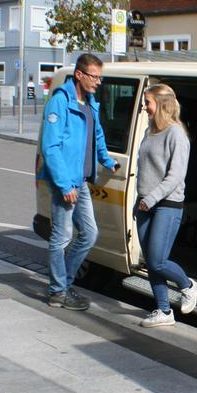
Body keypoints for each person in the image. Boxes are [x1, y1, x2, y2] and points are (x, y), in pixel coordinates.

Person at [39, 53, 119, 310]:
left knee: (89, 233)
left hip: (82, 181)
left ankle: (65, 284)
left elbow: (97, 136)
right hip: (65, 182)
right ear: (79, 74)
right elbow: (50, 148)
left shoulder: (91, 102)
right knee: (61, 237)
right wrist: (64, 185)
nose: (98, 82)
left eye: (99, 77)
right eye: (94, 76)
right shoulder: (60, 102)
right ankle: (57, 292)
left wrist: (107, 161)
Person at [134, 83, 197, 328]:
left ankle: (188, 286)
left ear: (161, 104)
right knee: (151, 262)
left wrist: (150, 199)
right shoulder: (150, 130)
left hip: (167, 204)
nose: (144, 107)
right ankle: (163, 310)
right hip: (144, 204)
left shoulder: (176, 134)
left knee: (158, 260)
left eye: (147, 102)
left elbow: (175, 176)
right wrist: (141, 199)